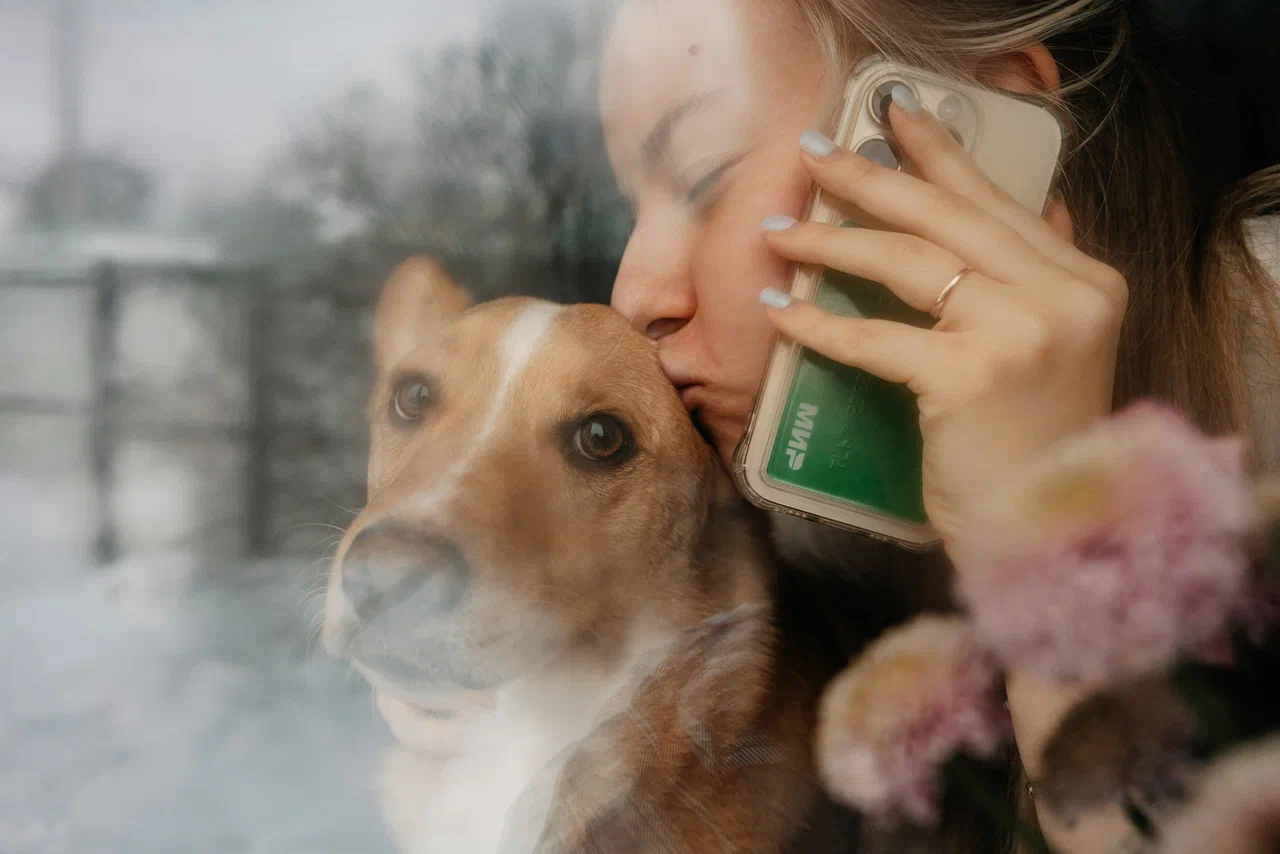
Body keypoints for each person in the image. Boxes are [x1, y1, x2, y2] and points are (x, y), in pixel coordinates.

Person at [597, 0, 1279, 850]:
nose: (633, 295)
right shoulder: (815, 544)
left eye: (704, 176)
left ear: (969, 133)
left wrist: (1046, 551)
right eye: (626, 210)